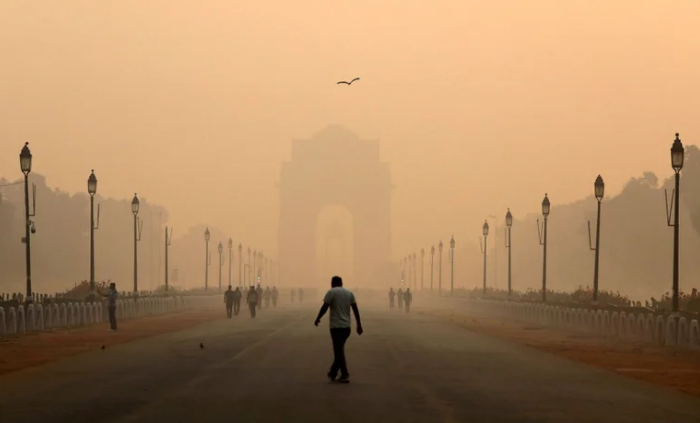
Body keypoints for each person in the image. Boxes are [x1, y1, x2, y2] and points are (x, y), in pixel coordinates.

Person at [314, 276, 363, 384]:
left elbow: (325, 307)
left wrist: (318, 318)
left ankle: (345, 374)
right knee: (339, 351)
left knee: (339, 352)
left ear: (333, 283)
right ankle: (332, 373)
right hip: (346, 328)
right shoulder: (349, 293)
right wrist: (359, 325)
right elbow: (355, 309)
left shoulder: (331, 292)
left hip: (336, 327)